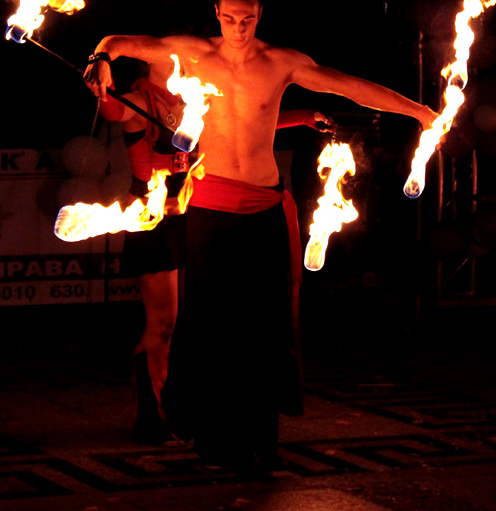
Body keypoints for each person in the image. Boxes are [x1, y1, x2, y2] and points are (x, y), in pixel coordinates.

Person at [84, 0, 438, 471]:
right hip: (209, 205)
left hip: (263, 205)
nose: (238, 28)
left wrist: (418, 112)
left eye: (247, 19)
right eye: (230, 18)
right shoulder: (192, 55)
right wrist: (100, 58)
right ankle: (213, 436)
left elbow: (348, 85)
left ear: (260, 14)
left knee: (263, 328)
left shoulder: (280, 62)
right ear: (216, 12)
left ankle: (260, 439)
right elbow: (120, 42)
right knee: (210, 325)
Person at [100, 59, 334, 447]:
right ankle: (160, 412)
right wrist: (101, 86)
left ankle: (173, 407)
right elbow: (113, 111)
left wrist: (306, 116)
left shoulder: (193, 99)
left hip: (196, 214)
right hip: (153, 220)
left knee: (197, 321)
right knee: (164, 324)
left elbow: (247, 126)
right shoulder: (139, 101)